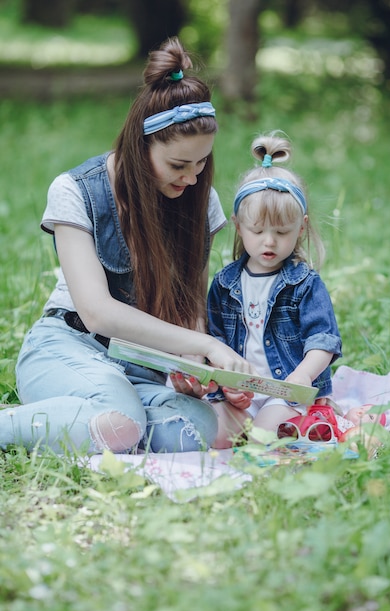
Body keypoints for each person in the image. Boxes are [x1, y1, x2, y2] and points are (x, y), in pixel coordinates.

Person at [0, 37, 254, 455]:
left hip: (141, 370)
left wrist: (193, 372)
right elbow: (96, 312)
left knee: (197, 429)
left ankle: (84, 422)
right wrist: (206, 346)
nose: (191, 178)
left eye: (201, 162)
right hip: (69, 348)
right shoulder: (77, 191)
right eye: (177, 165)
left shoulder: (199, 199)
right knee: (122, 422)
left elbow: (188, 310)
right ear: (141, 145)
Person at [207, 131, 342, 448]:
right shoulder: (225, 284)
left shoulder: (305, 284)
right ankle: (256, 424)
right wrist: (228, 384)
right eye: (257, 230)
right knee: (212, 438)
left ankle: (309, 418)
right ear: (238, 225)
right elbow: (216, 340)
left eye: (282, 232)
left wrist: (304, 376)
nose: (269, 241)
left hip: (287, 393)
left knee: (262, 440)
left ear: (302, 227)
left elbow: (323, 339)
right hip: (242, 393)